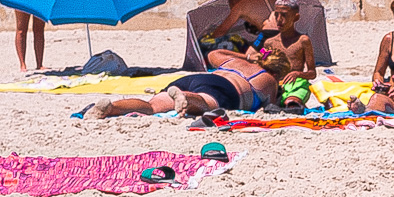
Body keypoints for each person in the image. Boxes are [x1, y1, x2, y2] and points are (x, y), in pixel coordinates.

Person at [88, 57, 278, 119]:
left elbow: (213, 54)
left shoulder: (234, 61)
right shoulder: (268, 79)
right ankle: (187, 97)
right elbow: (271, 106)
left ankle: (112, 107)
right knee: (206, 103)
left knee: (152, 106)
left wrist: (245, 55)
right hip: (226, 88)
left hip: (198, 78)